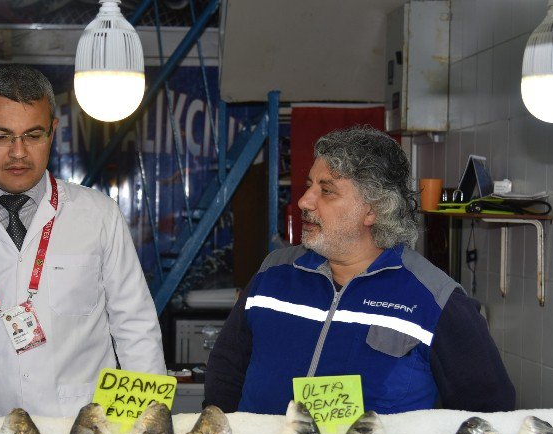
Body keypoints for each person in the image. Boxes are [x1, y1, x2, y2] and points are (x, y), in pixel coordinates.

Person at [0, 64, 165, 420]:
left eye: (33, 135)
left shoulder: (98, 216)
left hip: (83, 431)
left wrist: (143, 430)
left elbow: (135, 328)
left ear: (53, 131)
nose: (19, 152)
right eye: (2, 136)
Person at [204, 125, 515, 415]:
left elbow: (488, 415)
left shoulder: (436, 300)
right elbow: (227, 368)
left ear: (373, 210)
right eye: (309, 185)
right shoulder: (273, 273)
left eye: (326, 191)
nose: (303, 201)